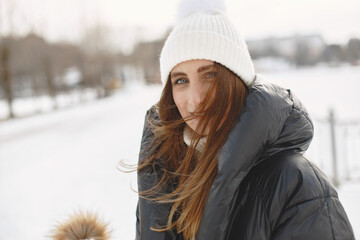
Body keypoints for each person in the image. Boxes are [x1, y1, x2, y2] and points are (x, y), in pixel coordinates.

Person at [135, 1, 355, 239]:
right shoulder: (166, 180)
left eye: (209, 75)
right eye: (180, 81)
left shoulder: (297, 186)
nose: (195, 99)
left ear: (237, 80)